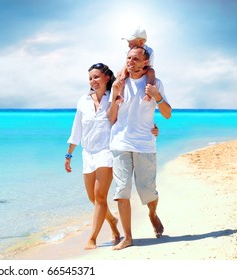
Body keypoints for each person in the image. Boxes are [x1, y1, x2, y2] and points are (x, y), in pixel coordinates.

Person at [64, 63, 159, 250]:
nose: (93, 81)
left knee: (100, 196)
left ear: (107, 77)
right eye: (90, 78)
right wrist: (69, 153)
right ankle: (112, 222)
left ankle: (92, 238)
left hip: (107, 151)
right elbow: (77, 129)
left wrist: (152, 128)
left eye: (97, 77)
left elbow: (133, 116)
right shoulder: (83, 101)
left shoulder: (115, 96)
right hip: (87, 153)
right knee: (93, 198)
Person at [108, 46, 172, 250]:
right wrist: (116, 95)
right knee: (121, 190)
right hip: (119, 143)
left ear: (146, 62)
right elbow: (111, 119)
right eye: (128, 58)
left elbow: (168, 114)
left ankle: (152, 214)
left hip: (145, 144)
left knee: (147, 191)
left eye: (135, 59)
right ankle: (128, 237)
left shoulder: (155, 83)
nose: (130, 62)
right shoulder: (119, 83)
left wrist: (157, 96)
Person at [117, 27, 156, 103]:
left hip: (144, 69)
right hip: (131, 68)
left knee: (151, 71)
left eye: (131, 43)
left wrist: (140, 71)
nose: (128, 45)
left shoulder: (149, 51)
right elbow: (127, 64)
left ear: (141, 42)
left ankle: (148, 93)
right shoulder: (130, 51)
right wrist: (124, 73)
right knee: (120, 74)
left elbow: (149, 66)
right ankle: (120, 95)